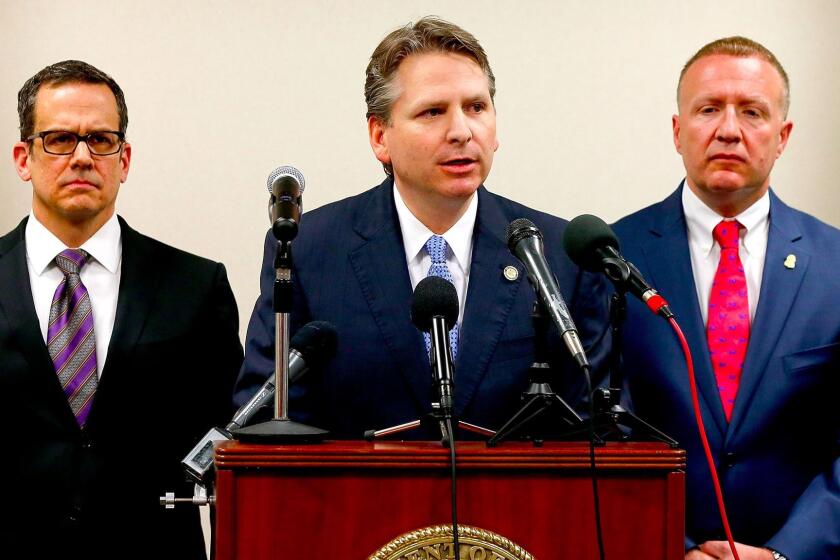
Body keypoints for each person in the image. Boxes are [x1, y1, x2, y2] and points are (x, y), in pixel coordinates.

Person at [235, 17, 610, 438]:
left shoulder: (556, 254)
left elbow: (597, 429)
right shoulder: (310, 251)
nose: (462, 132)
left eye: (476, 107)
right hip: (356, 503)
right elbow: (265, 422)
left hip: (514, 503)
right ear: (380, 136)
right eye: (433, 112)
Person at [0, 60, 243, 559]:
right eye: (61, 139)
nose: (83, 157)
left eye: (102, 140)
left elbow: (228, 456)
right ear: (23, 158)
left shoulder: (195, 287)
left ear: (124, 159)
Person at [614, 37, 839, 559]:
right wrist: (681, 547)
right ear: (677, 131)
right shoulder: (610, 258)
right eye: (709, 109)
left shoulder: (833, 266)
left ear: (782, 137)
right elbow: (601, 430)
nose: (729, 130)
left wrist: (788, 554)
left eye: (753, 112)